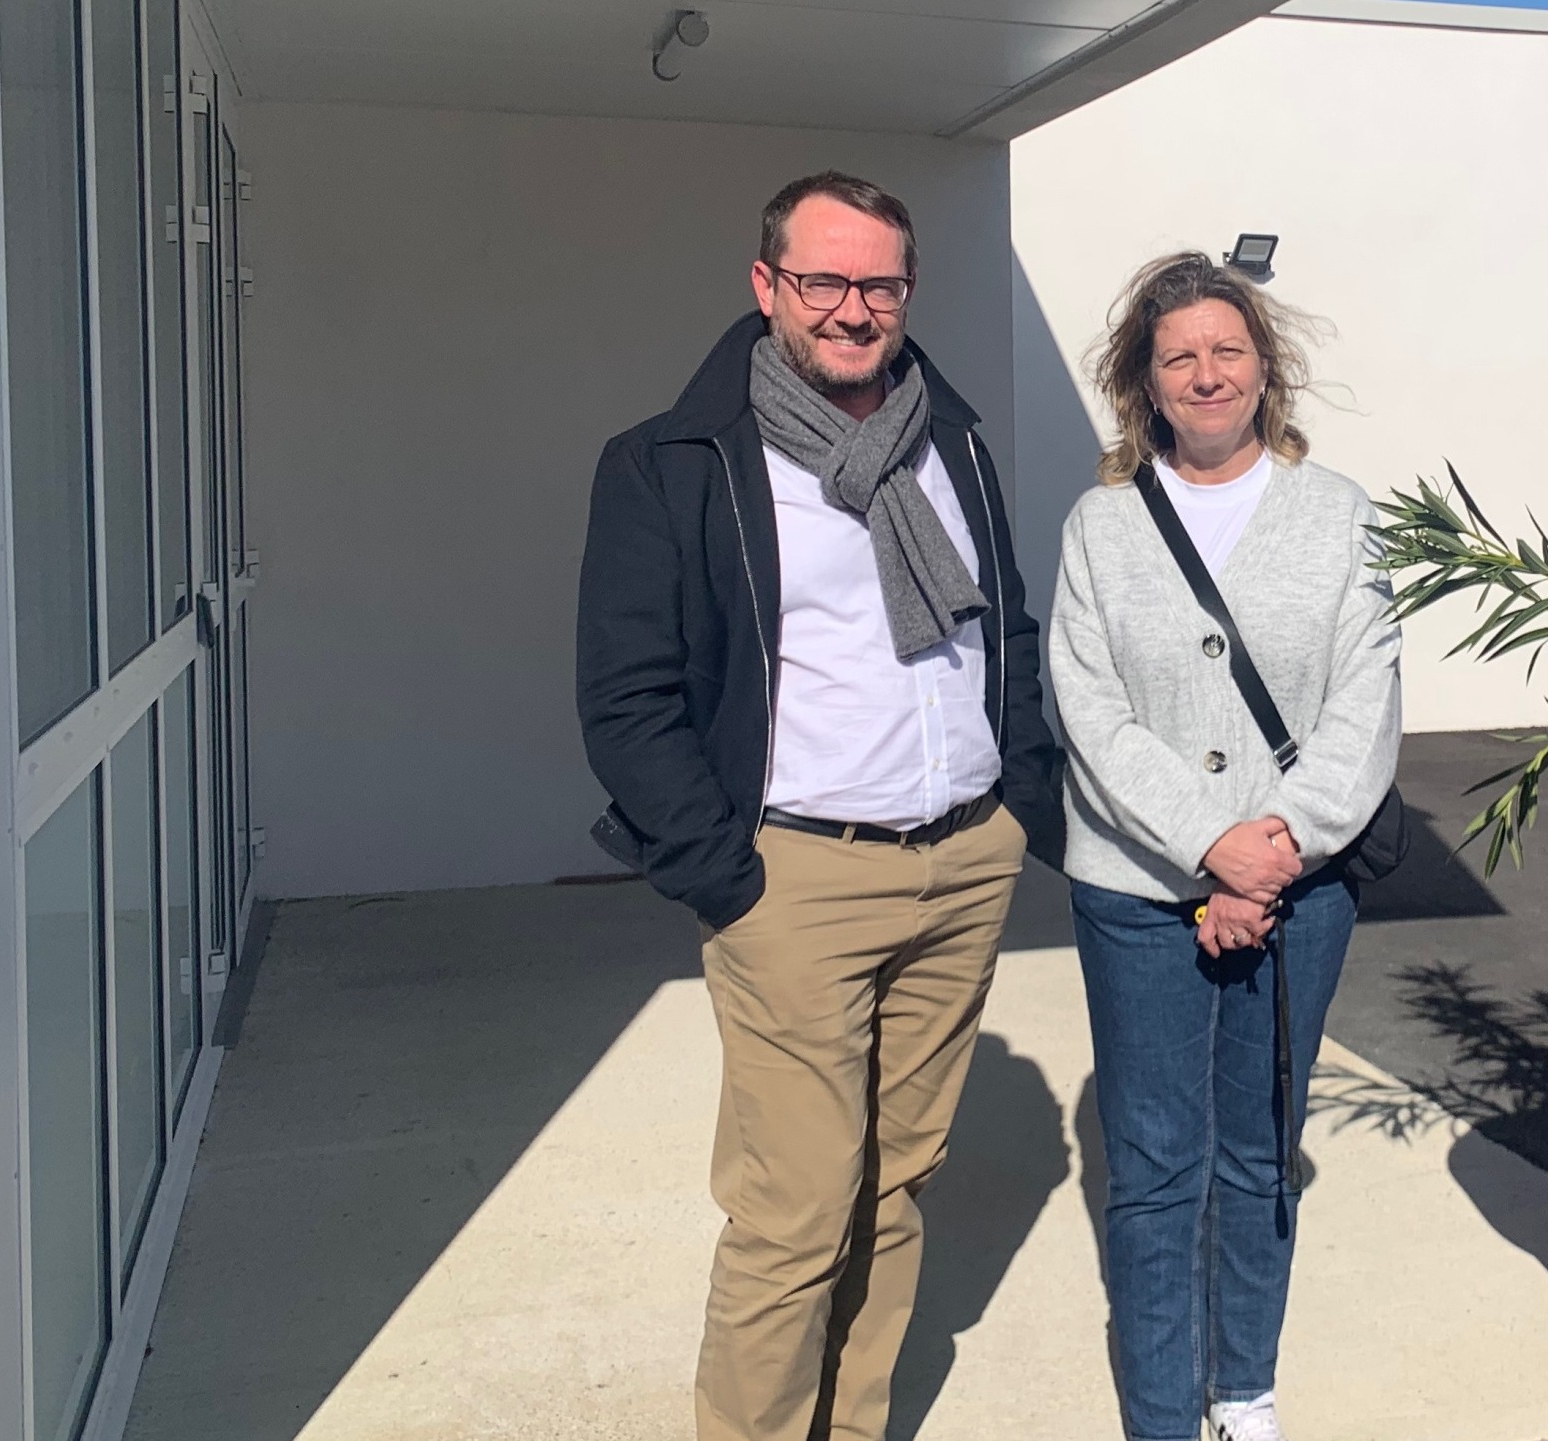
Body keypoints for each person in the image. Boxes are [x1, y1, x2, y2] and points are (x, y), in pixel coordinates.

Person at [574, 170, 1062, 1441]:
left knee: (896, 1187)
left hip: (961, 864)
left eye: (879, 284)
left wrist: (1015, 797)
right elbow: (628, 699)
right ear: (766, 286)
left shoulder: (948, 439)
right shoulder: (674, 462)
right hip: (796, 879)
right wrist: (724, 872)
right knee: (793, 1210)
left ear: (907, 291)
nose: (852, 309)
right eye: (824, 281)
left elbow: (999, 626)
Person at [1048, 252, 1402, 1441]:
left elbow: (1366, 704)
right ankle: (1161, 1414)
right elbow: (1085, 709)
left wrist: (1273, 848)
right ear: (1143, 382)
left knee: (1257, 1156)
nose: (1206, 373)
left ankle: (1242, 1391)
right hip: (1137, 893)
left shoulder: (1343, 515)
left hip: (1299, 890)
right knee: (1153, 1173)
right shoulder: (1099, 527)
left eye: (1227, 350)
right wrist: (1208, 845)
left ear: (1266, 369)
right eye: (1178, 356)